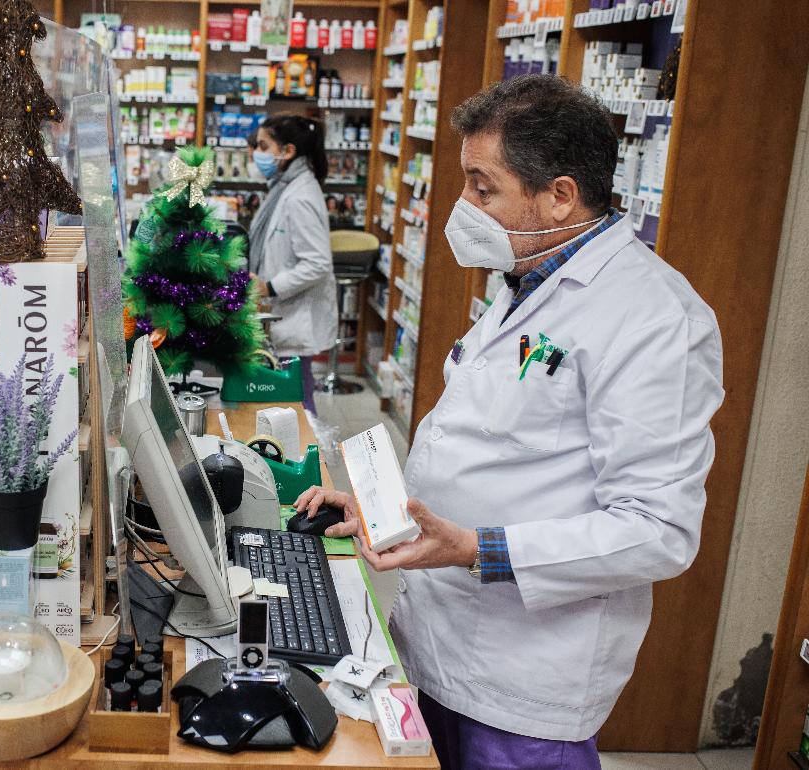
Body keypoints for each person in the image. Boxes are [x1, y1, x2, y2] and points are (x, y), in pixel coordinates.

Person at [295, 74, 724, 770]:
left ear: (559, 195)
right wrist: (386, 511)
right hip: (433, 640)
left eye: (482, 186)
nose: (462, 206)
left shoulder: (654, 320)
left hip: (524, 683)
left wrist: (475, 548)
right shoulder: (529, 281)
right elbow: (497, 448)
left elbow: (660, 532)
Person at [246, 114, 336, 413]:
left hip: (293, 312)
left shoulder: (300, 196)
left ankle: (310, 453)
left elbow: (317, 262)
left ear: (287, 151)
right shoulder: (285, 186)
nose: (255, 153)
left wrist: (269, 286)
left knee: (295, 397)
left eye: (262, 145)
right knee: (294, 391)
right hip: (283, 311)